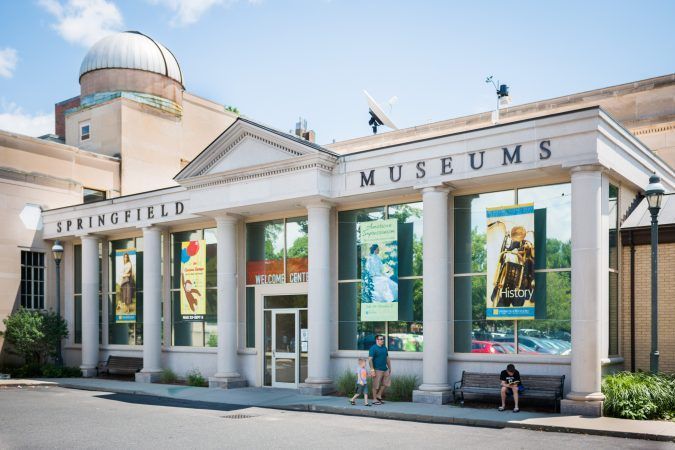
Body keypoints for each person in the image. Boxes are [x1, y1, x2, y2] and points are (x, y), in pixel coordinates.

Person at [368, 334, 391, 405]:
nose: (382, 340)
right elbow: (370, 359)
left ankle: (379, 395)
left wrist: (389, 367)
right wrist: (372, 370)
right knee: (376, 385)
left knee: (386, 384)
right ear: (377, 340)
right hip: (377, 369)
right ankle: (374, 399)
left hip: (385, 369)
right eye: (381, 339)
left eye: (383, 339)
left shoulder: (384, 348)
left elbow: (387, 358)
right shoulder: (373, 348)